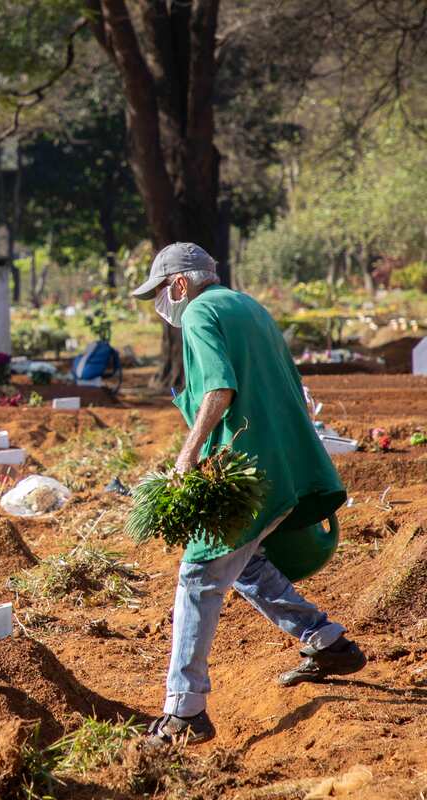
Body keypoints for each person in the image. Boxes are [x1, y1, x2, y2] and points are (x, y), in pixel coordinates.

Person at [131, 242, 366, 745]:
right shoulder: (249, 306)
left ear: (179, 285)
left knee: (198, 574)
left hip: (251, 471)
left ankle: (184, 710)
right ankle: (326, 641)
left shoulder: (197, 312)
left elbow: (219, 389)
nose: (162, 306)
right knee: (247, 564)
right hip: (284, 459)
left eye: (160, 293)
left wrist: (187, 456)